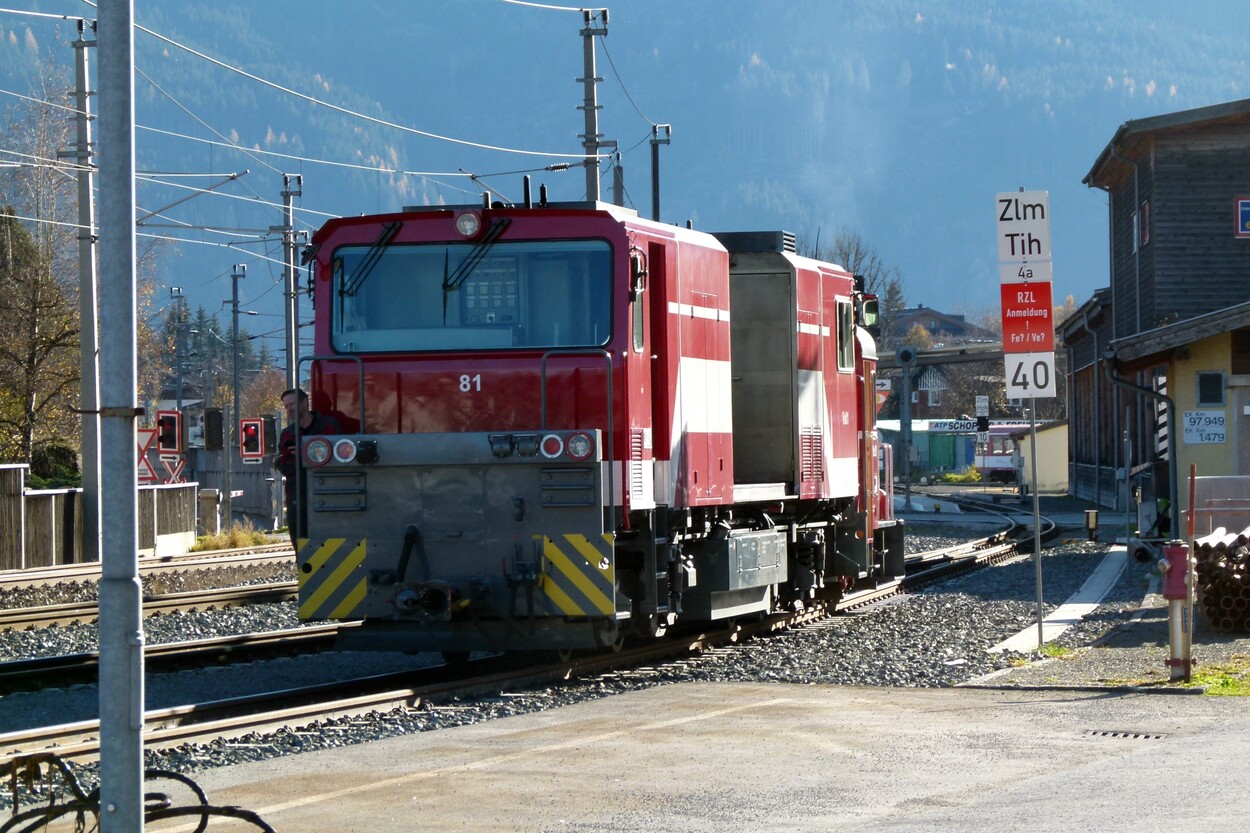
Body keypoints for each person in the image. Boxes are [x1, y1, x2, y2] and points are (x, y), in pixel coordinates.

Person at [274, 387, 342, 548]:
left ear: (304, 403)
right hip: (297, 497)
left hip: (329, 493)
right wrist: (311, 457)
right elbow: (283, 465)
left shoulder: (330, 427)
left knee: (333, 542)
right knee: (301, 545)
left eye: (292, 404)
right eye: (286, 406)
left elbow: (340, 458)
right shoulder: (287, 434)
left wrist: (305, 454)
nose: (289, 409)